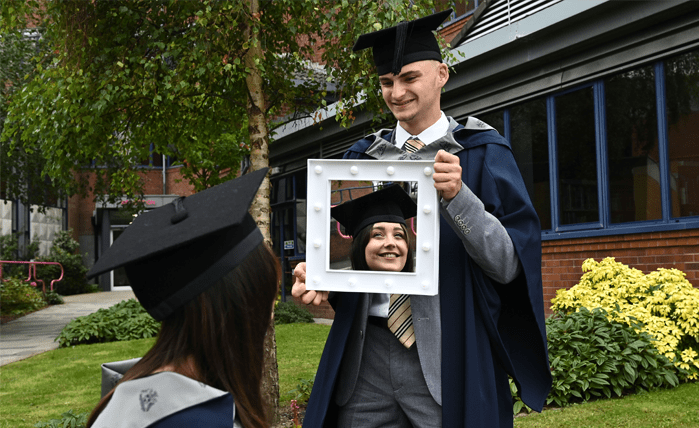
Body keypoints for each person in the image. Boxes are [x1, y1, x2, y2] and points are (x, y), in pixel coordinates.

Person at [293, 9, 552, 428]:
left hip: (448, 355)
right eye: (386, 82)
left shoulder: (483, 153)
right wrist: (316, 278)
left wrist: (460, 197)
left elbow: (509, 265)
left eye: (409, 78)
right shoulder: (359, 162)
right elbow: (340, 255)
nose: (396, 92)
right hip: (365, 359)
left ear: (441, 75)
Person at [85, 168, 279, 428]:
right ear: (240, 309)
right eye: (267, 299)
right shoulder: (201, 421)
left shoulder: (130, 396)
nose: (268, 316)